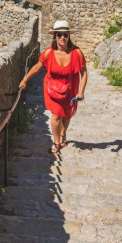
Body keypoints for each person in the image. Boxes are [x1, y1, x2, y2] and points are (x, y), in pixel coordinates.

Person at [19, 19, 87, 154]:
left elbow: (83, 73)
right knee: (56, 115)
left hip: (70, 88)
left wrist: (81, 91)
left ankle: (63, 133)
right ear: (55, 36)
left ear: (69, 36)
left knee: (67, 115)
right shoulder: (48, 52)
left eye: (65, 35)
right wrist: (25, 79)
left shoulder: (77, 53)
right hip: (52, 88)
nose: (62, 37)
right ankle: (56, 142)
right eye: (59, 34)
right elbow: (38, 67)